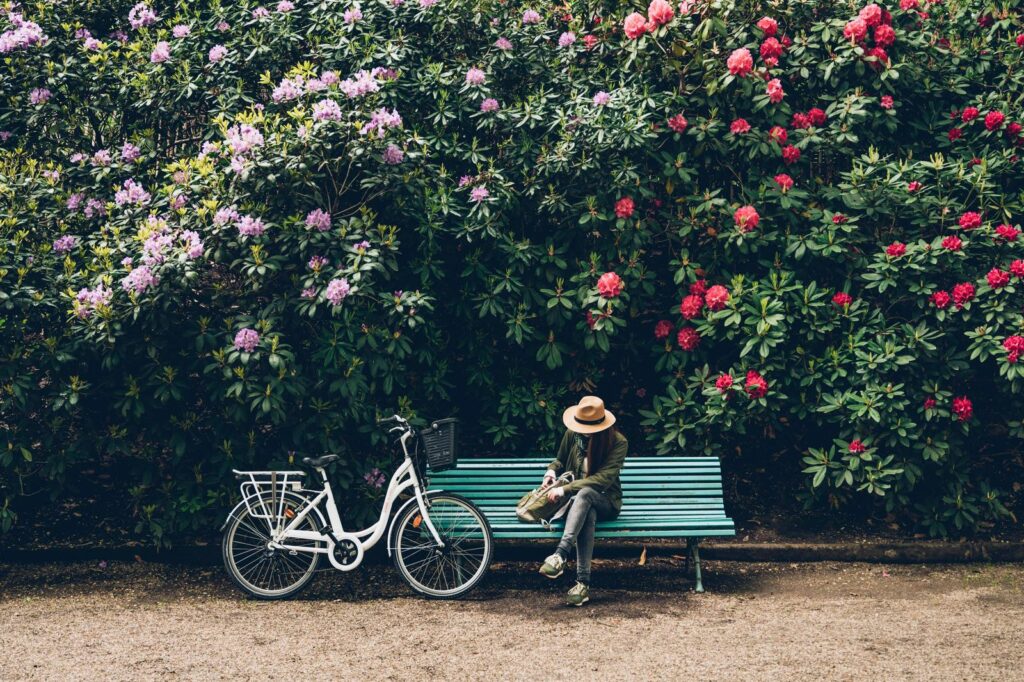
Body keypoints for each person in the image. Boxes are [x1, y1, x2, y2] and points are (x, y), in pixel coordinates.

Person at [538, 395, 628, 606]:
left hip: (607, 501)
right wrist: (551, 471)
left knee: (586, 493)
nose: (580, 429)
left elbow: (601, 480)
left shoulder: (618, 442)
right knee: (587, 508)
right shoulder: (574, 433)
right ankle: (583, 585)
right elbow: (560, 459)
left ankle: (560, 554)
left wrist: (564, 489)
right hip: (579, 505)